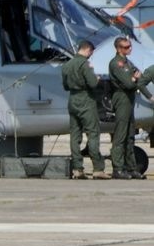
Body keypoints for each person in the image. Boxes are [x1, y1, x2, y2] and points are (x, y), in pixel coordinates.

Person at [60, 39, 109, 179]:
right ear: (88, 50)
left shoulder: (67, 65)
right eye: (91, 53)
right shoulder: (85, 64)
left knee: (75, 136)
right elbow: (93, 83)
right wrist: (97, 78)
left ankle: (77, 169)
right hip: (86, 100)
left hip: (73, 100)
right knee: (93, 133)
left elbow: (65, 86)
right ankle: (98, 169)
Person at [107, 36, 148, 180]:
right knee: (121, 134)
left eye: (130, 46)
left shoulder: (127, 62)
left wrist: (134, 78)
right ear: (118, 48)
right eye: (126, 47)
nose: (129, 49)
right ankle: (117, 168)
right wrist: (134, 78)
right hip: (122, 98)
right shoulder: (116, 64)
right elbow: (130, 83)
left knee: (130, 134)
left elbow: (136, 78)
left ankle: (131, 168)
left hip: (129, 98)